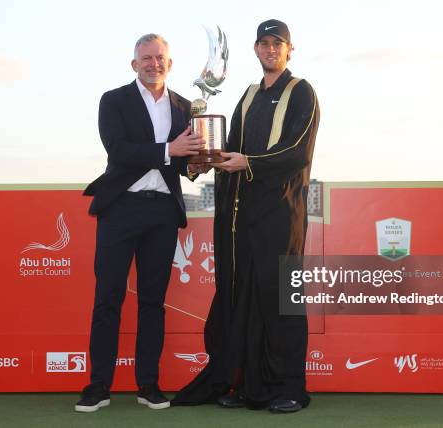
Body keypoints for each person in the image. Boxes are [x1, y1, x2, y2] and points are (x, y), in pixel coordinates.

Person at [172, 19, 320, 413]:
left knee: (281, 300)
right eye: (264, 44)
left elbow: (298, 153)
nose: (271, 50)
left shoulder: (302, 92)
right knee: (243, 300)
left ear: (290, 50)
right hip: (242, 220)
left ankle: (289, 388)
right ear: (255, 50)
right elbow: (231, 149)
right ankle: (247, 385)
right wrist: (204, 158)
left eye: (278, 44)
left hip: (281, 218)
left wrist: (246, 161)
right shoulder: (250, 94)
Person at [76, 33, 206, 412]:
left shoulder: (184, 106)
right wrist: (170, 150)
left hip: (163, 212)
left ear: (170, 63)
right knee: (108, 299)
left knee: (153, 303)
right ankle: (98, 385)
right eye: (146, 58)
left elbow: (183, 163)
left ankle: (148, 384)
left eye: (160, 57)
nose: (154, 63)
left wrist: (197, 162)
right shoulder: (113, 100)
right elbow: (118, 150)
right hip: (121, 209)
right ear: (135, 64)